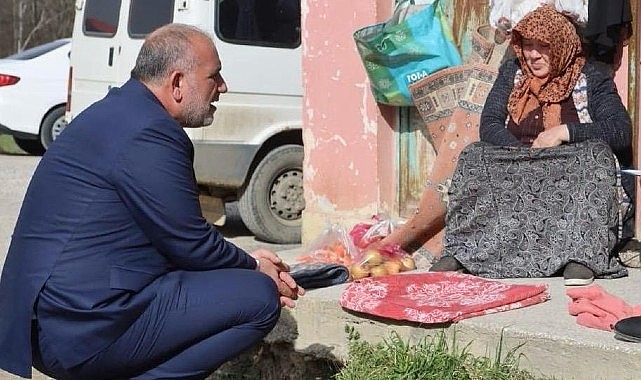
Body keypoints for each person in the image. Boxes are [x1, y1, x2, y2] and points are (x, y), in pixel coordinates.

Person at [0, 23, 304, 380]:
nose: (222, 87)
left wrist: (245, 262)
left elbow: (173, 238)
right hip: (80, 327)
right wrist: (255, 267)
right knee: (259, 298)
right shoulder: (151, 133)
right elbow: (190, 244)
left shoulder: (113, 114)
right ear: (177, 83)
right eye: (214, 76)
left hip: (45, 321)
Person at [429, 5, 633, 286]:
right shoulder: (513, 73)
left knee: (595, 155)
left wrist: (564, 132)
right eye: (527, 45)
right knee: (474, 156)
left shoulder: (591, 77)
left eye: (543, 47)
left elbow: (620, 130)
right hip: (517, 170)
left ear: (561, 44)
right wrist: (521, 155)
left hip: (566, 175)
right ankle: (463, 251)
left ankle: (582, 255)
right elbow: (489, 123)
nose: (533, 55)